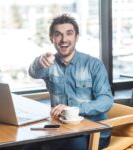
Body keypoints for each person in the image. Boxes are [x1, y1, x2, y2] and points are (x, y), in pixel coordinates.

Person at [27, 14, 114, 150]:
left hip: (92, 132)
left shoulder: (93, 64)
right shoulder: (48, 63)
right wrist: (39, 61)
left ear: (76, 37)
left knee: (72, 145)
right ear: (52, 39)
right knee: (29, 145)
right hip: (62, 130)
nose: (64, 39)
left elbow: (106, 100)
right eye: (58, 34)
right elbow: (34, 72)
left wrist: (75, 110)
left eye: (69, 33)